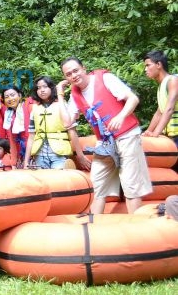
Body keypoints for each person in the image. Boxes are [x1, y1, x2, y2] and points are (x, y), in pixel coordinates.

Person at [59, 57, 152, 213]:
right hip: (105, 143)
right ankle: (94, 230)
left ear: (84, 68)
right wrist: (60, 94)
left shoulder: (105, 79)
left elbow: (133, 99)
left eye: (76, 70)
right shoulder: (75, 95)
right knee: (96, 185)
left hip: (126, 135)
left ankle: (138, 228)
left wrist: (120, 116)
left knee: (130, 184)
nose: (74, 75)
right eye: (68, 74)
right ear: (66, 78)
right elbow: (67, 122)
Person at [24, 76, 86, 170]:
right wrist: (26, 162)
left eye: (45, 87)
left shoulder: (62, 105)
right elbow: (31, 137)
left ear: (51, 88)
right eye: (38, 88)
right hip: (39, 154)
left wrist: (80, 155)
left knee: (59, 181)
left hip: (59, 154)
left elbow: (72, 131)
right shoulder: (35, 108)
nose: (42, 90)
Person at [142, 50, 178, 147]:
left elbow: (169, 109)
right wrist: (148, 132)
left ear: (158, 64)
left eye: (148, 65)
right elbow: (159, 113)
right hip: (171, 137)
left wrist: (156, 133)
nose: (145, 69)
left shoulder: (173, 80)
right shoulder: (161, 86)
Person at [2, 85, 34, 167]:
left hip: (34, 153)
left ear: (19, 95)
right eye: (6, 97)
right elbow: (12, 140)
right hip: (20, 156)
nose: (10, 99)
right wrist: (13, 162)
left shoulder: (29, 107)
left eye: (13, 95)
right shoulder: (8, 115)